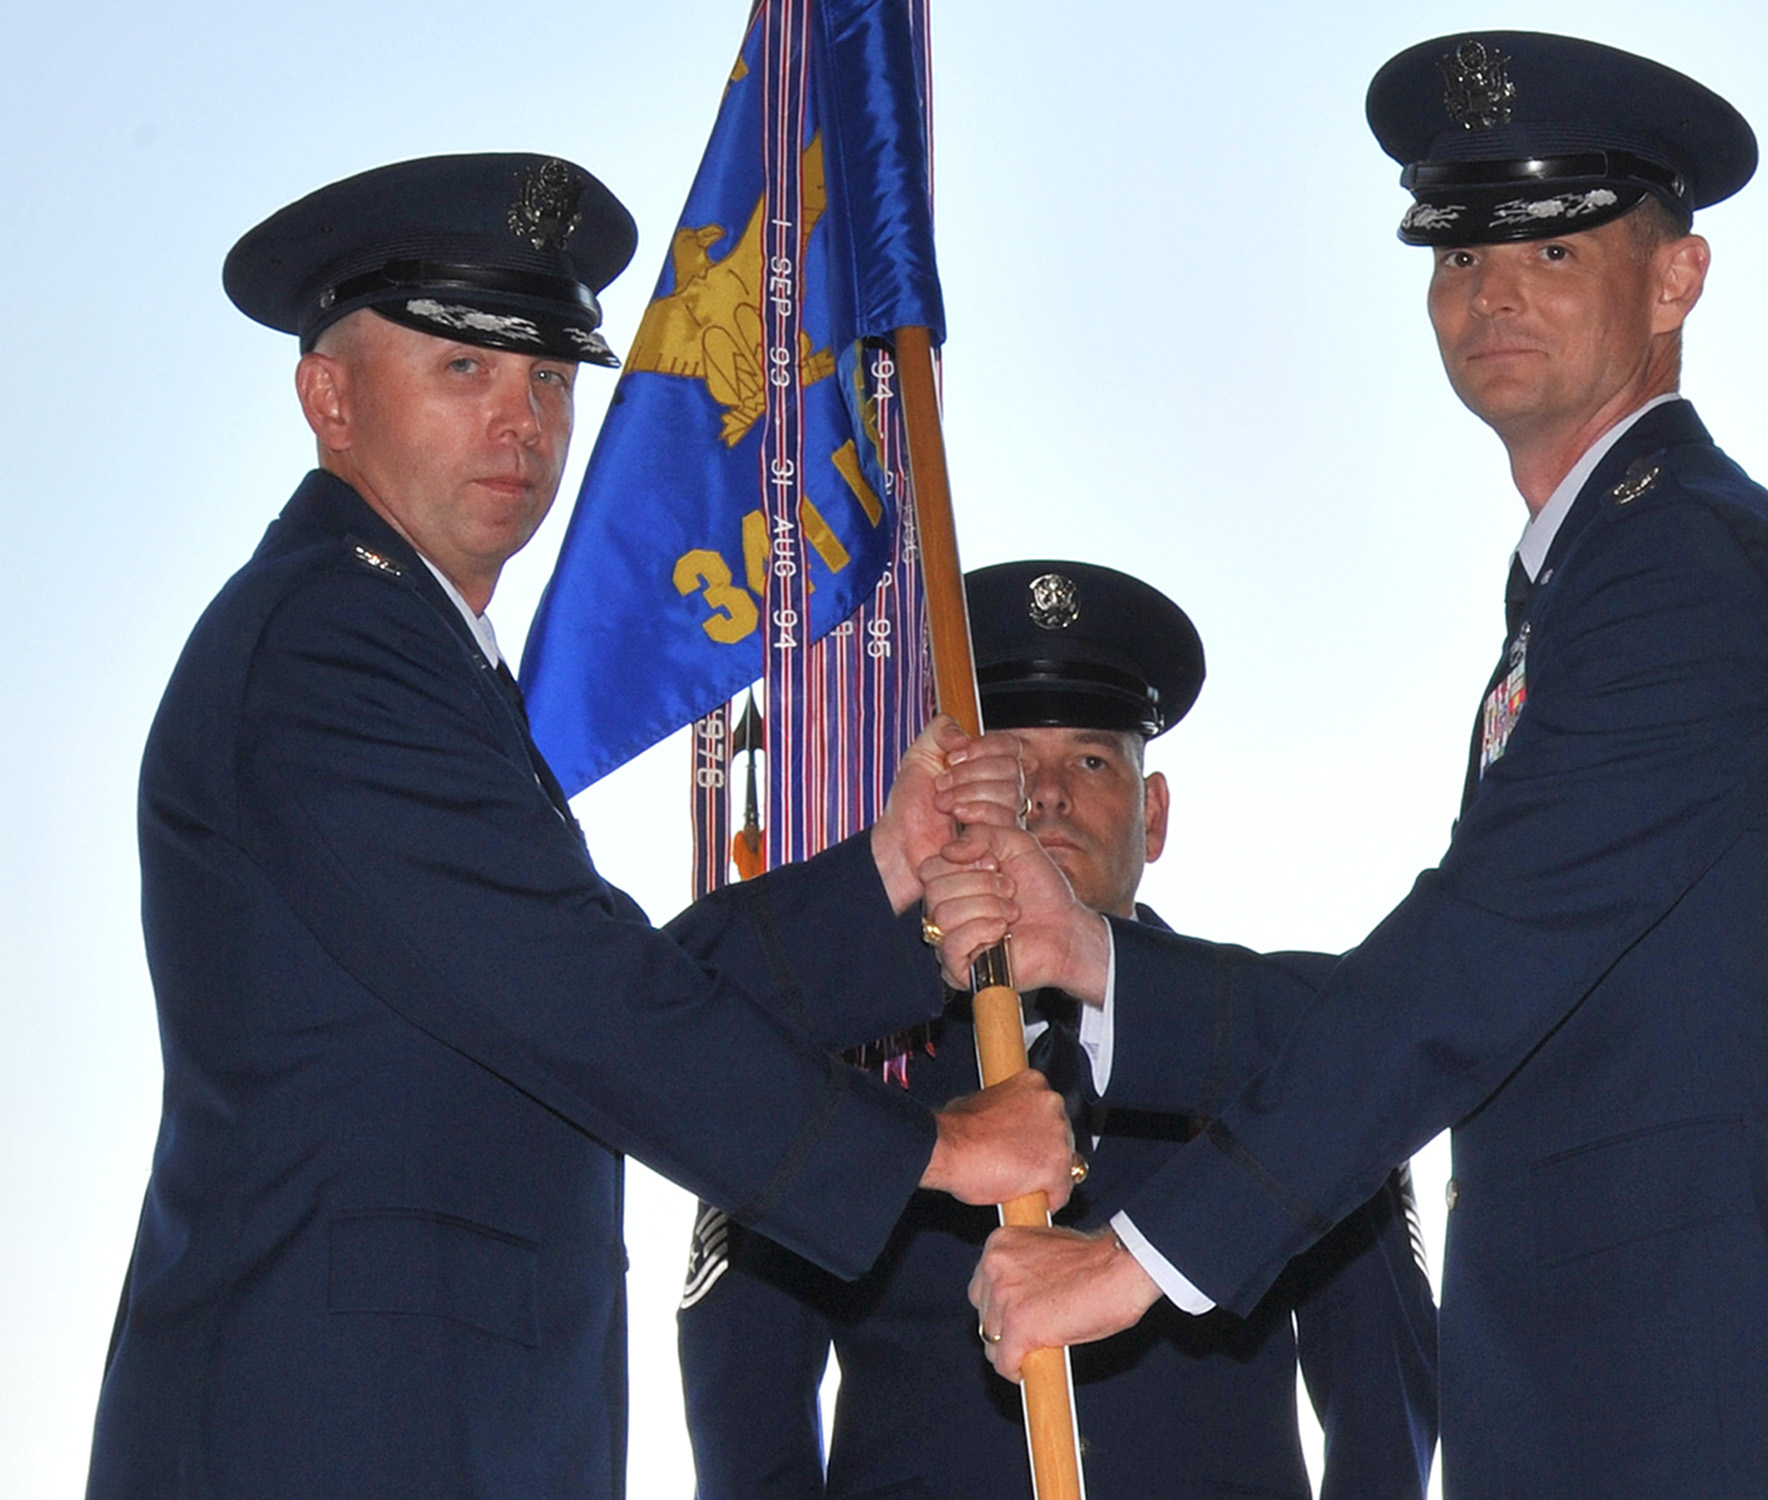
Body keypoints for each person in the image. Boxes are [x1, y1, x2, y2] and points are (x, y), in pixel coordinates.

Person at [938, 33, 1768, 1499]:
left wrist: (1142, 1256)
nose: (1496, 295)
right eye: (1463, 257)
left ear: (1677, 281)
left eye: (1552, 250)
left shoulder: (1689, 571)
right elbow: (1484, 977)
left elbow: (1468, 967)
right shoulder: (1592, 577)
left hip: (1718, 1404)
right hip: (1602, 1404)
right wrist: (1098, 959)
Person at [85, 153, 1075, 1500]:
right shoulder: (328, 642)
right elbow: (577, 997)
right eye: (463, 372)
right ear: (328, 396)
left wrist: (886, 871)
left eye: (549, 379)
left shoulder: (414, 653)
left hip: (434, 1422)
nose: (523, 423)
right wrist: (937, 1148)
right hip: (334, 1427)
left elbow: (572, 991)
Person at [678, 560, 1439, 1500]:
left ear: (1153, 814)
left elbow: (1379, 1387)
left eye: (1089, 760)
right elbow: (743, 1385)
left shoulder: (1282, 1050)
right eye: (1009, 762)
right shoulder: (854, 1050)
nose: (1045, 795)